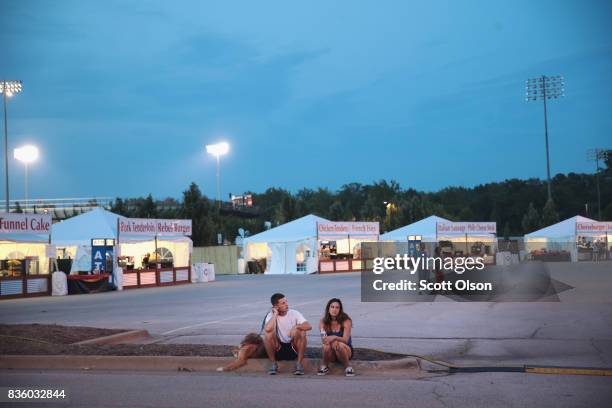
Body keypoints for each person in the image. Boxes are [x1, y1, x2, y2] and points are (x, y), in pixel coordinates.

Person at [263, 293, 312, 375]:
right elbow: (267, 329)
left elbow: (309, 326)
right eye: (283, 303)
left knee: (302, 331)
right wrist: (275, 314)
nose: (287, 304)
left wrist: (296, 327)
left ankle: (299, 364)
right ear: (276, 306)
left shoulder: (294, 313)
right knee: (268, 334)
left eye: (286, 302)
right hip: (278, 349)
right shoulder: (271, 315)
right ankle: (273, 364)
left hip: (293, 349)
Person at [317, 298, 355, 377]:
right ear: (328, 309)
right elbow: (324, 340)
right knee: (326, 346)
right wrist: (332, 341)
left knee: (339, 344)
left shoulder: (346, 321)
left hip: (345, 351)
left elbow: (345, 340)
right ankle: (324, 366)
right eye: (332, 307)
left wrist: (334, 337)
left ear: (340, 310)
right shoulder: (323, 322)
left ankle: (348, 367)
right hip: (331, 353)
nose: (334, 309)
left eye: (337, 307)